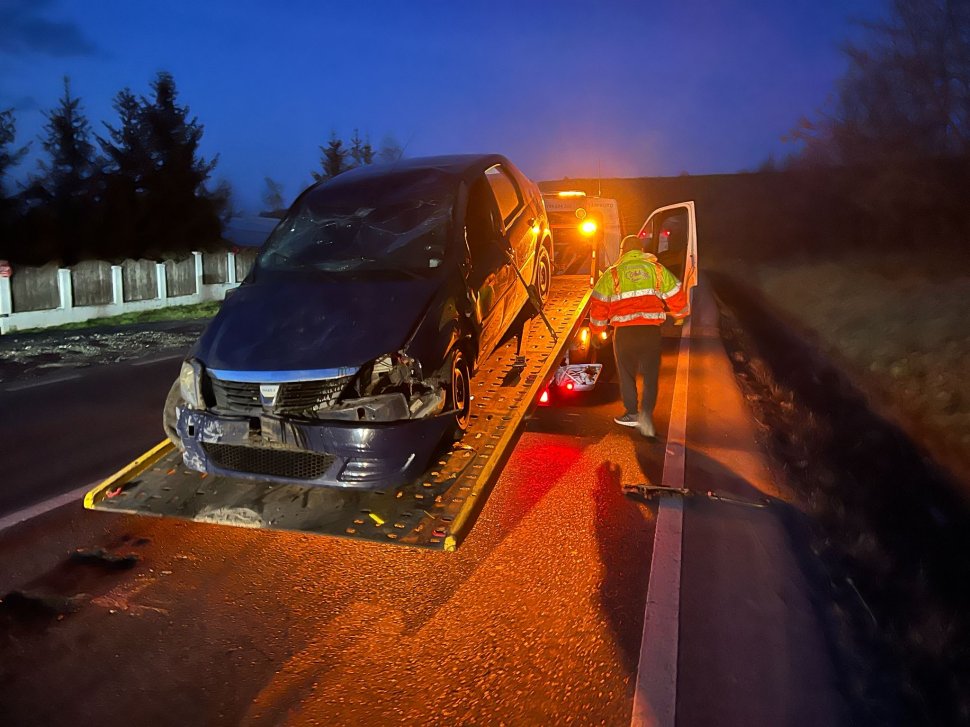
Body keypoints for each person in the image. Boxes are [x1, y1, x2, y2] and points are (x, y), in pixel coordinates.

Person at [589, 234, 689, 437]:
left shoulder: (613, 273)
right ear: (642, 251)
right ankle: (646, 416)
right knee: (651, 376)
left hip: (624, 333)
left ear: (623, 252)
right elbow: (676, 293)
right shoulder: (656, 270)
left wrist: (597, 331)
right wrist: (680, 315)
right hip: (650, 332)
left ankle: (631, 413)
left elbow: (599, 304)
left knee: (626, 374)